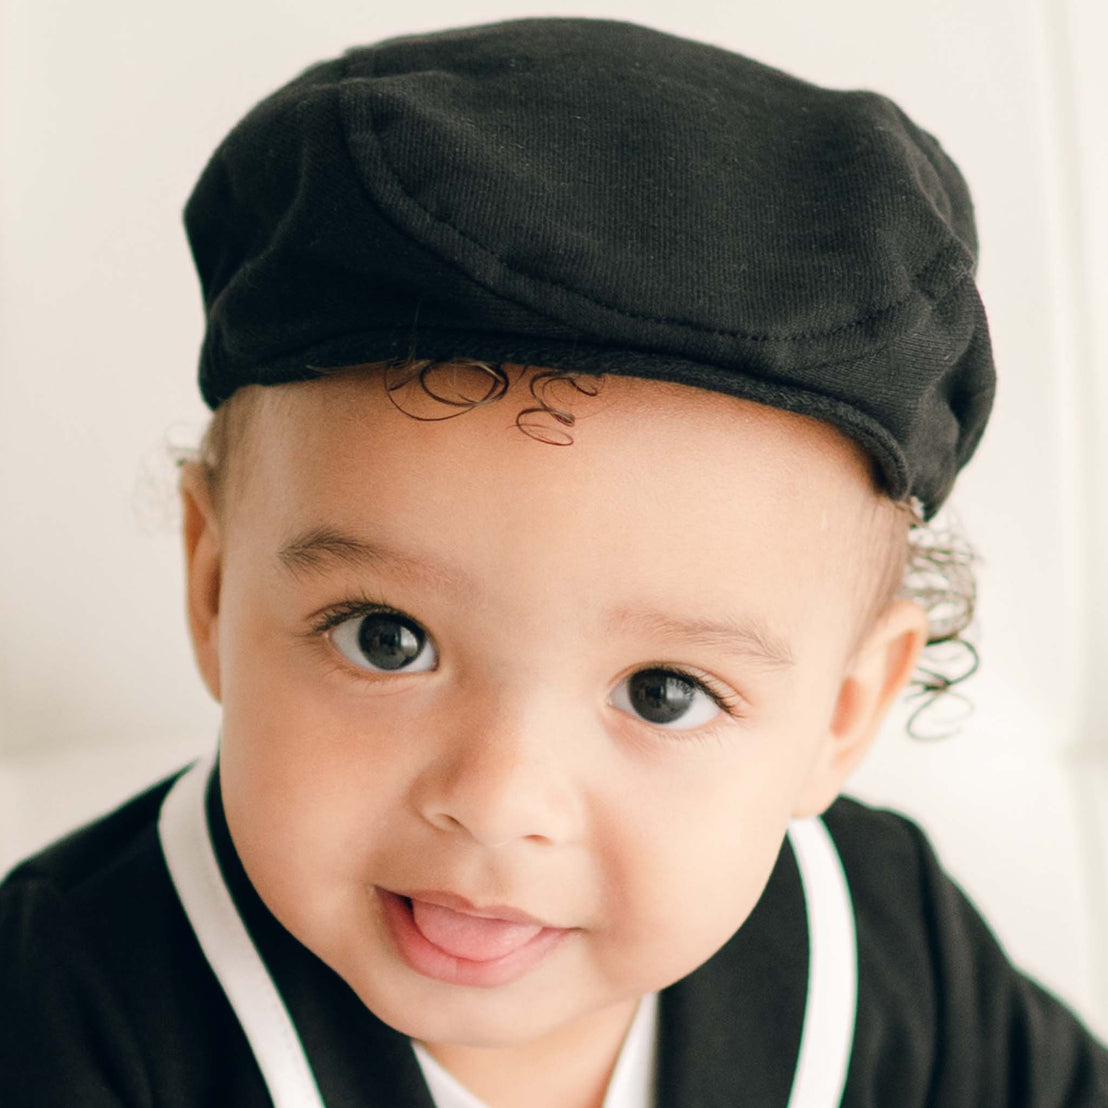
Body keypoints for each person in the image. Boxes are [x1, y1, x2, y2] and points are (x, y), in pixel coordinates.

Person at [1, 15, 1105, 1107]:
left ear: (842, 713)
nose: (496, 801)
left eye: (664, 692)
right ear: (212, 584)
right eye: (386, 638)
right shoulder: (63, 1007)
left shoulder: (877, 940)